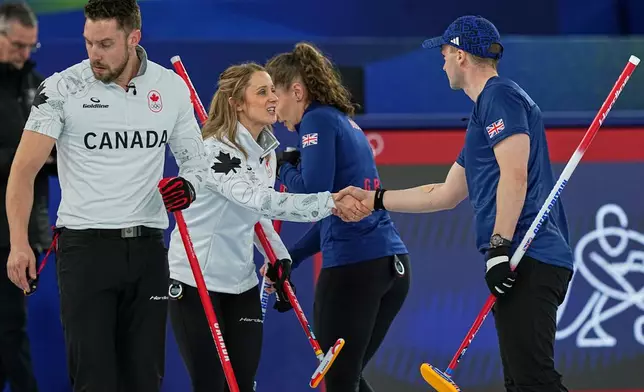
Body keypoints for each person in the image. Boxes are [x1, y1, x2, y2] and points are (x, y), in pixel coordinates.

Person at [337, 15, 573, 392]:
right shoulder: (484, 112)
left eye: (445, 53)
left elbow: (515, 175)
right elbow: (446, 193)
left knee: (534, 381)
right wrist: (376, 199)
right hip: (519, 258)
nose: (442, 61)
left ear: (461, 56)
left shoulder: (500, 96)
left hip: (528, 254)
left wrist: (499, 247)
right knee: (521, 382)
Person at [5, 0, 211, 390]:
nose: (94, 55)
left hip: (148, 250)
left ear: (133, 38)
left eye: (105, 44)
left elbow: (197, 165)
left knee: (144, 379)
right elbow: (22, 171)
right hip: (86, 251)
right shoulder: (62, 88)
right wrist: (19, 244)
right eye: (88, 43)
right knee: (94, 380)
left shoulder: (170, 87)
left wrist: (188, 188)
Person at [166, 62, 369, 392]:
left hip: (241, 283)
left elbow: (255, 215)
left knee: (244, 383)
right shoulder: (215, 151)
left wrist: (278, 256)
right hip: (196, 281)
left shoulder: (265, 153)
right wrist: (330, 202)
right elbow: (261, 200)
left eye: (273, 89)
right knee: (211, 384)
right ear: (237, 102)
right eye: (262, 92)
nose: (273, 97)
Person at [263, 42, 411, 392]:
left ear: (297, 91)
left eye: (276, 96)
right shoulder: (340, 122)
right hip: (391, 267)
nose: (273, 109)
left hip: (355, 269)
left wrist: (283, 169)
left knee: (342, 380)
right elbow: (333, 213)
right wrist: (291, 257)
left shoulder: (316, 120)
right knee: (348, 377)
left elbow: (314, 192)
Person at [0, 3, 50, 391]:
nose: (25, 54)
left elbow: (58, 155)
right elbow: (28, 160)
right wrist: (24, 158)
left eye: (31, 46)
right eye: (18, 45)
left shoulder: (39, 86)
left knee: (11, 327)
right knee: (9, 330)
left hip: (22, 233)